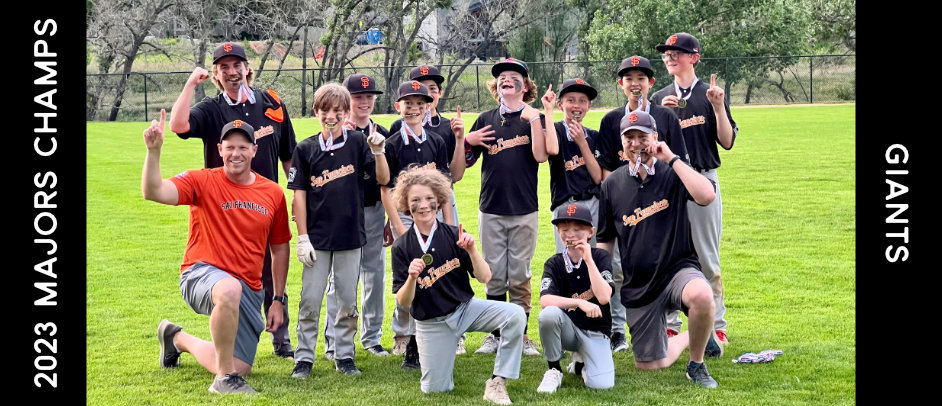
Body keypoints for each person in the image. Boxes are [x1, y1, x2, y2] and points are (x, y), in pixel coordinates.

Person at [147, 112, 292, 394]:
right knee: (228, 289)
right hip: (200, 274)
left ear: (254, 150)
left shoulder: (273, 193)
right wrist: (154, 152)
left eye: (242, 147)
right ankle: (225, 380)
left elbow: (280, 248)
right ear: (219, 150)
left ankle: (176, 338)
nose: (235, 153)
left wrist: (277, 299)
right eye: (229, 147)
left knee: (241, 364)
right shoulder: (201, 181)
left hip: (249, 288)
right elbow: (154, 191)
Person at [169, 42, 297, 359]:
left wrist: (295, 196)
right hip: (227, 209)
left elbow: (289, 156)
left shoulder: (272, 103)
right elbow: (178, 126)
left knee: (273, 264)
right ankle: (233, 339)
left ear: (247, 68)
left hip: (267, 203)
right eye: (223, 67)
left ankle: (281, 337)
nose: (231, 72)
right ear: (216, 74)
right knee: (235, 272)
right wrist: (189, 85)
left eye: (236, 65)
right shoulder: (212, 109)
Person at [596, 110, 724, 388]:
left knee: (702, 295)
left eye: (642, 136)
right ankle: (696, 332)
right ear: (622, 142)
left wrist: (673, 159)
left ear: (655, 138)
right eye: (629, 138)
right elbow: (605, 239)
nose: (636, 143)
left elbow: (707, 195)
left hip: (677, 269)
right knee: (651, 364)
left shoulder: (673, 171)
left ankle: (697, 365)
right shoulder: (611, 184)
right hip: (639, 284)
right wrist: (601, 274)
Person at [391, 166, 525, 405]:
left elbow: (485, 278)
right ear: (405, 204)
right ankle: (443, 363)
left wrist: (472, 250)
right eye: (416, 200)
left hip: (465, 310)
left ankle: (497, 382)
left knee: (514, 314)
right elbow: (403, 301)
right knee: (436, 391)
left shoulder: (454, 234)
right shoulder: (402, 246)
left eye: (430, 199)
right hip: (431, 323)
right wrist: (412, 278)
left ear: (440, 200)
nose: (423, 205)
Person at [287, 83, 390, 378]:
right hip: (317, 239)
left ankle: (344, 354)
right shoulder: (305, 148)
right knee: (310, 299)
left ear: (346, 113)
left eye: (338, 110)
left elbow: (383, 179)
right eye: (325, 110)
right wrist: (303, 236)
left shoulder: (358, 143)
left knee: (347, 301)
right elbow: (299, 197)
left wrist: (379, 151)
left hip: (349, 237)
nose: (331, 116)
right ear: (316, 111)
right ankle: (304, 357)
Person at [465, 58, 557, 357]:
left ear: (526, 86)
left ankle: (520, 334)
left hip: (524, 208)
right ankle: (495, 335)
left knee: (519, 275)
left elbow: (542, 157)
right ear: (496, 86)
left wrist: (534, 119)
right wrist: (466, 140)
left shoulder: (533, 118)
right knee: (494, 274)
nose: (506, 79)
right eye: (502, 76)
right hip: (491, 208)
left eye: (514, 76)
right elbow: (464, 162)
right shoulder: (485, 118)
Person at [650, 33, 738, 343]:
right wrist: (663, 115)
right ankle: (671, 322)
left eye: (677, 52)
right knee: (668, 254)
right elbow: (647, 145)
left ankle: (716, 325)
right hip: (669, 183)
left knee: (706, 257)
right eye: (667, 53)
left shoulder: (710, 93)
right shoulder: (658, 98)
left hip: (703, 179)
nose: (670, 57)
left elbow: (726, 142)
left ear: (694, 57)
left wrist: (717, 108)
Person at [597, 55, 689, 352]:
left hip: (665, 194)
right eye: (628, 79)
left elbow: (680, 163)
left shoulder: (665, 116)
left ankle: (676, 327)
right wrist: (624, 191)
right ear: (620, 83)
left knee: (674, 257)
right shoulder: (612, 120)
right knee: (623, 267)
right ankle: (619, 331)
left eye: (641, 78)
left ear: (651, 82)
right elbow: (609, 167)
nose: (635, 84)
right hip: (626, 198)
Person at [388, 65, 472, 355]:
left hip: (434, 214)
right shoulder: (393, 142)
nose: (413, 109)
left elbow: (444, 187)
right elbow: (386, 188)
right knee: (408, 272)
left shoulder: (436, 140)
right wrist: (398, 227)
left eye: (419, 104)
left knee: (441, 268)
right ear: (398, 106)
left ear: (428, 107)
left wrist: (448, 225)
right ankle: (405, 334)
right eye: (407, 104)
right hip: (405, 216)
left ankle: (452, 330)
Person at [322, 73, 392, 362]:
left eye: (368, 96)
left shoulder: (383, 132)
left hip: (374, 209)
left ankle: (372, 337)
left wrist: (391, 218)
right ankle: (333, 341)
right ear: (346, 101)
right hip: (343, 213)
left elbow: (390, 182)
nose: (364, 101)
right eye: (357, 97)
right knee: (339, 279)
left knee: (374, 274)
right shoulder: (334, 133)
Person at [536, 203, 615, 393]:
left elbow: (604, 297)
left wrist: (588, 260)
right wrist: (579, 302)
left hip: (596, 330)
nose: (570, 234)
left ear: (591, 232)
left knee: (602, 385)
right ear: (557, 231)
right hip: (568, 330)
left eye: (577, 229)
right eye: (564, 229)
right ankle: (554, 369)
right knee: (549, 315)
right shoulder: (554, 263)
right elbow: (545, 301)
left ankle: (580, 365)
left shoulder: (601, 256)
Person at [546, 78, 603, 252]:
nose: (577, 105)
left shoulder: (594, 136)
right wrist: (547, 112)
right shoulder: (555, 130)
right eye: (570, 100)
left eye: (582, 101)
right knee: (567, 257)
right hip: (565, 204)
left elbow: (598, 177)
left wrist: (582, 143)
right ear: (560, 105)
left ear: (589, 107)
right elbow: (552, 149)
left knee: (592, 256)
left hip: (592, 203)